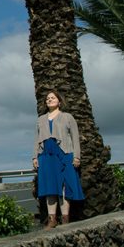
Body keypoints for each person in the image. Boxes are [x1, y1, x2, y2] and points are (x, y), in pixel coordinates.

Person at [32, 90, 84, 229]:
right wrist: (35, 157)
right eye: (48, 98)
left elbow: (75, 138)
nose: (49, 100)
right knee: (50, 187)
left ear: (59, 101)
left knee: (64, 186)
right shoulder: (40, 120)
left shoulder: (67, 117)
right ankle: (52, 220)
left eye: (53, 97)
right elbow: (36, 140)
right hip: (46, 156)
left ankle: (65, 219)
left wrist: (77, 156)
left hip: (64, 154)